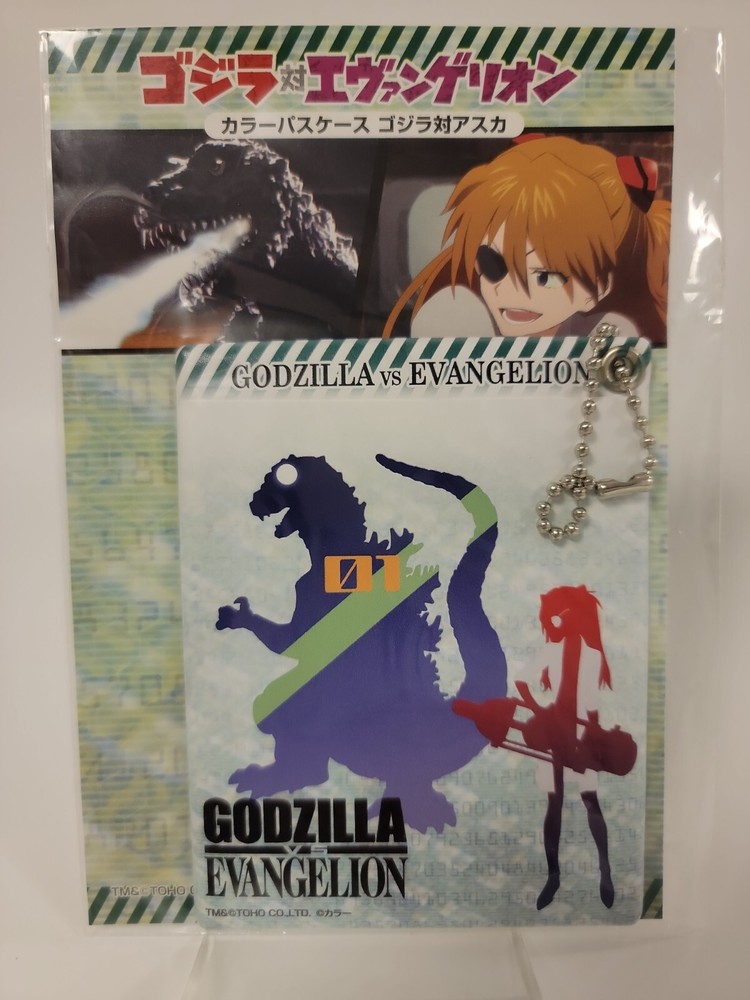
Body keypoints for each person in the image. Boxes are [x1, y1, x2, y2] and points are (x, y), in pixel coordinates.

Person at [383, 135, 671, 344]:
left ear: (596, 289)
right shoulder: (461, 319)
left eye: (547, 277)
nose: (511, 291)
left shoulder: (602, 336)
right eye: (493, 266)